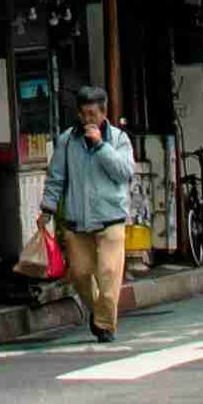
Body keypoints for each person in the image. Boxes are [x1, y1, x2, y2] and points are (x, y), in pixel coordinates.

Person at [41, 98, 147, 347]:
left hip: (111, 217)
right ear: (78, 113)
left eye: (93, 114)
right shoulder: (67, 140)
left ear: (103, 113)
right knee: (79, 273)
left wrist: (100, 146)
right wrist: (47, 207)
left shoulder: (118, 139)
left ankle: (105, 325)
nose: (88, 119)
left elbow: (124, 172)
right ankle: (99, 312)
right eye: (84, 114)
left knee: (109, 273)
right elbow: (56, 176)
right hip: (77, 219)